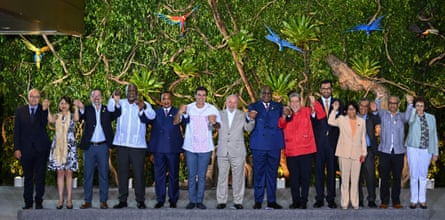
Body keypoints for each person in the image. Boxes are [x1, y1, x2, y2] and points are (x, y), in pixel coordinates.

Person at [108, 84, 155, 209]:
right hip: (122, 144)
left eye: (134, 90)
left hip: (137, 146)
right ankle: (122, 200)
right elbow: (110, 108)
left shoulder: (142, 103)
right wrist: (114, 97)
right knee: (122, 173)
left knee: (139, 174)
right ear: (126, 92)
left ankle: (140, 200)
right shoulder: (121, 103)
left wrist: (143, 107)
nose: (131, 93)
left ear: (137, 92)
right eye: (129, 90)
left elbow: (152, 116)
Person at [175, 86, 221, 209]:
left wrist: (214, 123)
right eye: (199, 95)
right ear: (195, 96)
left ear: (206, 96)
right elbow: (176, 122)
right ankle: (192, 200)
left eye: (203, 95)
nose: (201, 97)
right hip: (190, 147)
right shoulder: (188, 108)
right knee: (191, 175)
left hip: (205, 147)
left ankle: (199, 200)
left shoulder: (211, 109)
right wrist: (180, 112)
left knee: (202, 175)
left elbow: (218, 126)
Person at [278, 93, 325, 209]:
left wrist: (314, 102)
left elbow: (321, 115)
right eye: (292, 101)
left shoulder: (307, 111)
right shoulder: (286, 113)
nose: (294, 104)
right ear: (289, 103)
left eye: (296, 101)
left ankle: (303, 201)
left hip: (306, 151)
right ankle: (296, 201)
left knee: (305, 178)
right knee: (294, 179)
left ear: (301, 102)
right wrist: (284, 115)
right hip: (291, 151)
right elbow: (281, 125)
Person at [76, 88, 120, 209]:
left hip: (103, 147)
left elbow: (117, 114)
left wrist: (116, 102)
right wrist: (80, 107)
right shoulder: (87, 109)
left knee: (104, 174)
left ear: (102, 97)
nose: (96, 97)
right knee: (88, 175)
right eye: (94, 95)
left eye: (99, 95)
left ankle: (103, 201)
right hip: (89, 147)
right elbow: (80, 116)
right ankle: (87, 201)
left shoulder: (107, 109)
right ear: (91, 98)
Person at [216, 94, 256, 210]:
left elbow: (248, 128)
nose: (232, 104)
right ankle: (221, 201)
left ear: (237, 103)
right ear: (226, 102)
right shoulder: (219, 114)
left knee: (238, 177)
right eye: (230, 102)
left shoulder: (242, 115)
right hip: (223, 150)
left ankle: (238, 201)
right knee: (222, 177)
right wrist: (212, 123)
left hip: (238, 151)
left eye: (234, 102)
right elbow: (213, 127)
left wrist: (251, 120)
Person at [145, 91, 184, 209]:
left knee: (174, 175)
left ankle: (173, 199)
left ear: (172, 100)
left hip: (173, 149)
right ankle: (160, 199)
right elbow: (145, 120)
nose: (166, 101)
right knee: (159, 175)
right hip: (159, 149)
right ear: (161, 101)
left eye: (168, 99)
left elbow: (186, 123)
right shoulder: (155, 113)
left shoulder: (178, 112)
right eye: (164, 99)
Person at [374, 93, 413, 209]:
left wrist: (410, 104)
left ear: (398, 105)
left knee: (397, 177)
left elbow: (408, 117)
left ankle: (396, 201)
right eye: (390, 103)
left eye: (394, 103)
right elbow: (377, 108)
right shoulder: (383, 115)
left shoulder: (401, 116)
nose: (392, 105)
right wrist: (377, 98)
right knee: (384, 177)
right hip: (384, 151)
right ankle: (384, 201)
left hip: (398, 152)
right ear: (388, 104)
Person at [14, 88, 51, 209]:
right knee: (28, 177)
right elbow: (17, 131)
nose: (34, 99)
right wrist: (17, 148)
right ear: (28, 97)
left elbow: (43, 124)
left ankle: (39, 201)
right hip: (26, 150)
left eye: (37, 97)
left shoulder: (42, 109)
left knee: (40, 177)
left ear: (39, 98)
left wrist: (45, 110)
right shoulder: (20, 111)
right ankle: (28, 202)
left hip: (41, 150)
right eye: (32, 96)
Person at [248, 85, 284, 209]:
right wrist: (249, 117)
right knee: (259, 173)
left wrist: (287, 113)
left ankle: (271, 201)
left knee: (272, 174)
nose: (266, 95)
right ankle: (258, 201)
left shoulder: (279, 107)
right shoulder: (254, 106)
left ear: (272, 94)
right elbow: (249, 122)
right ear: (260, 94)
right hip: (259, 145)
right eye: (264, 93)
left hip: (274, 145)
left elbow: (285, 119)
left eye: (269, 93)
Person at [328, 101, 367, 209]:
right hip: (343, 153)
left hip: (357, 154)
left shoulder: (361, 122)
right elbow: (330, 121)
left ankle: (355, 202)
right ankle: (344, 203)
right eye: (349, 109)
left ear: (356, 110)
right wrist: (335, 109)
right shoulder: (341, 119)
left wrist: (364, 153)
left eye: (353, 109)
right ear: (346, 110)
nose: (351, 111)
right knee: (344, 180)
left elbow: (363, 138)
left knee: (355, 180)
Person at [312, 80, 343, 209]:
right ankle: (319, 198)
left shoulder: (338, 104)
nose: (326, 90)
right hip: (318, 143)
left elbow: (341, 121)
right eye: (323, 88)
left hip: (332, 143)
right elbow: (311, 123)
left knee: (331, 172)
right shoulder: (315, 103)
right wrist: (313, 112)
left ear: (331, 89)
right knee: (318, 172)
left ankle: (331, 199)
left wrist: (336, 111)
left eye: (328, 88)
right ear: (320, 89)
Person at [405, 97, 439, 209]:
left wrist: (435, 152)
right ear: (415, 106)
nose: (419, 108)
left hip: (426, 150)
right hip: (412, 149)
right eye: (417, 105)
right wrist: (413, 109)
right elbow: (410, 122)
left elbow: (434, 135)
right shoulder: (412, 115)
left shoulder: (431, 118)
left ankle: (422, 200)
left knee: (423, 175)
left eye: (421, 106)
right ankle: (414, 200)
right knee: (414, 175)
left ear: (425, 107)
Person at [46, 96, 79, 209]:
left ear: (69, 105)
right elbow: (50, 120)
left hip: (70, 147)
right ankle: (60, 199)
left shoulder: (72, 115)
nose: (63, 105)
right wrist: (48, 108)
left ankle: (69, 199)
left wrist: (76, 106)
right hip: (58, 148)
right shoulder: (57, 116)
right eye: (61, 103)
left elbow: (77, 118)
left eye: (65, 103)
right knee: (60, 173)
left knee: (69, 173)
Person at [357, 98, 380, 208]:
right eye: (362, 105)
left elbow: (378, 119)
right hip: (355, 151)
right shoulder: (353, 117)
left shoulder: (372, 118)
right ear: (358, 106)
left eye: (366, 106)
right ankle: (359, 200)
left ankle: (371, 200)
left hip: (369, 150)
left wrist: (375, 110)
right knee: (356, 177)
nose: (364, 108)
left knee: (370, 176)